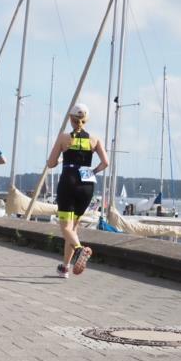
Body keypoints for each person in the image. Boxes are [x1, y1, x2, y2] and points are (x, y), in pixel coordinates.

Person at [46, 103, 109, 277]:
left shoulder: (63, 138)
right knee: (73, 228)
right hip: (86, 183)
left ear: (71, 119)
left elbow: (50, 163)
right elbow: (106, 163)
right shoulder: (94, 140)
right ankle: (65, 267)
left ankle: (80, 249)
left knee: (65, 227)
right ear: (85, 120)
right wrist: (92, 171)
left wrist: (60, 161)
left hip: (69, 180)